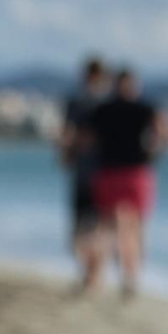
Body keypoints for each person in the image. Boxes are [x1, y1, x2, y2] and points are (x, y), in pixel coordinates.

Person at [85, 68, 168, 297]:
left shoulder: (102, 110)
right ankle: (131, 277)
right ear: (134, 85)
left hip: (107, 173)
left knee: (106, 228)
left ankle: (96, 278)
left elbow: (87, 141)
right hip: (136, 173)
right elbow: (165, 129)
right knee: (133, 228)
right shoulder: (144, 108)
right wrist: (156, 151)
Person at [57, 56, 109, 291]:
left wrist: (67, 151)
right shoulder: (78, 103)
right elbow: (66, 136)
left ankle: (93, 278)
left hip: (101, 177)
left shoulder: (106, 105)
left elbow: (67, 136)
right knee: (83, 234)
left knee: (92, 231)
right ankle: (92, 276)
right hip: (87, 176)